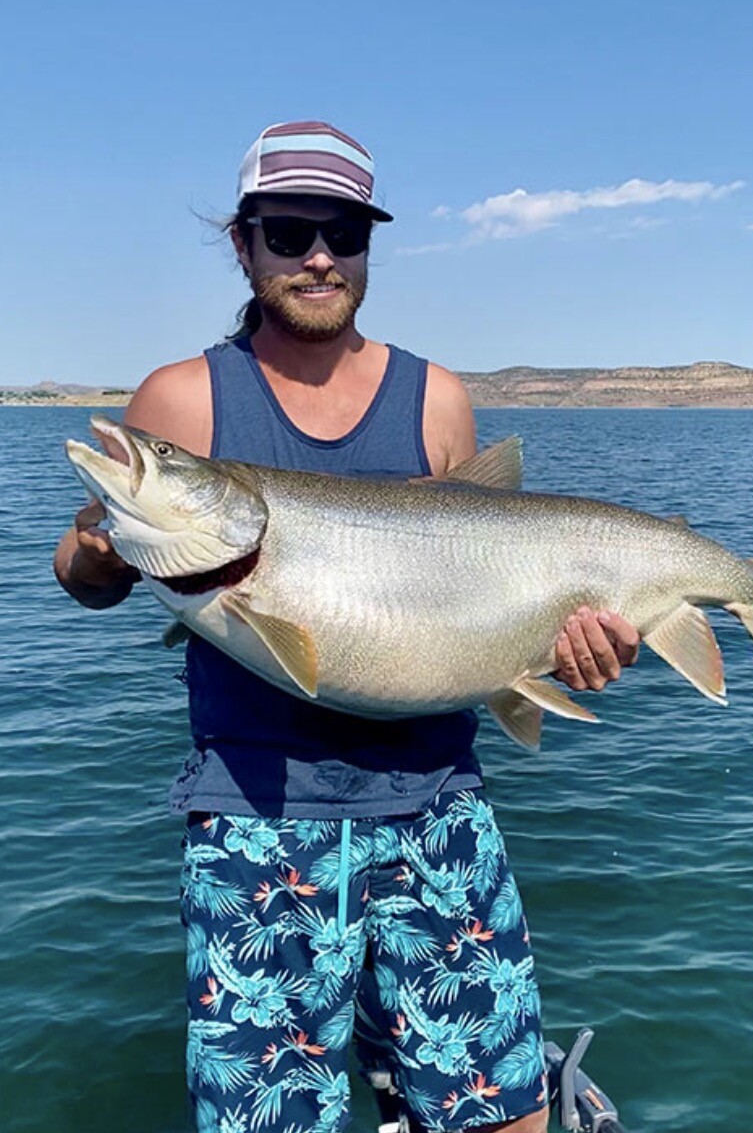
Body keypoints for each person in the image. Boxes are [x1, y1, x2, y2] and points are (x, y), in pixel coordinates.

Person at [54, 120, 639, 1133]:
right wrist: (99, 549)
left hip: (439, 803)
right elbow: (84, 567)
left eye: (344, 232)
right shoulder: (182, 400)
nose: (319, 255)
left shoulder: (438, 400)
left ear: (368, 244)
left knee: (502, 1109)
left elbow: (487, 607)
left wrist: (568, 649)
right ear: (243, 245)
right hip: (256, 817)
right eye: (288, 232)